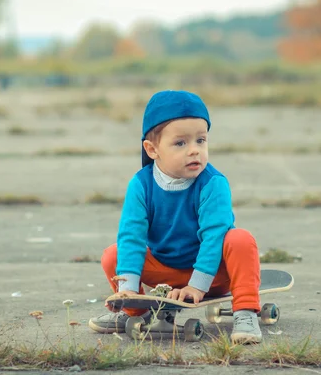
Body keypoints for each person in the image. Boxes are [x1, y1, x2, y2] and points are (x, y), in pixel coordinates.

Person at [88, 90, 262, 344]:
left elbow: (214, 237)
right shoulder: (141, 185)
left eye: (201, 141)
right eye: (181, 143)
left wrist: (197, 286)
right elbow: (132, 236)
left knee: (240, 239)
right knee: (113, 255)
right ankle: (135, 312)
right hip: (165, 272)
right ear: (152, 149)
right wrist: (126, 291)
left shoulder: (213, 183)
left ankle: (245, 312)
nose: (194, 151)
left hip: (213, 273)